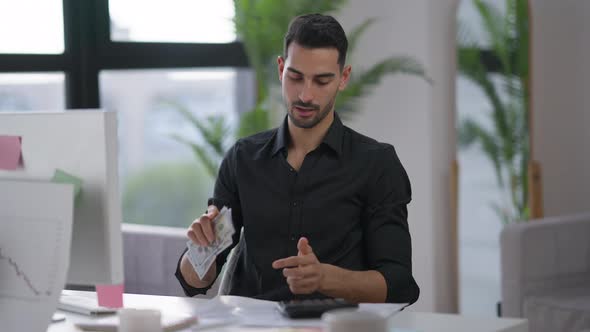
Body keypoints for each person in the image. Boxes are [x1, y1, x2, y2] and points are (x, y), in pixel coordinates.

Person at [175, 13, 419, 304]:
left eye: (321, 81)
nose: (305, 94)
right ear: (281, 69)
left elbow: (400, 284)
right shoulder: (243, 159)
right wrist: (200, 248)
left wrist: (325, 278)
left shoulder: (377, 164)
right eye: (295, 77)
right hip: (251, 326)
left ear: (343, 78)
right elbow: (196, 283)